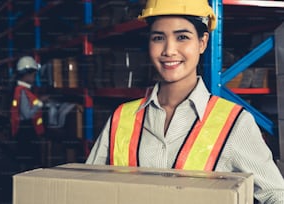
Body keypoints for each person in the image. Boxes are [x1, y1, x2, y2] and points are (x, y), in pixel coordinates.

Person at [86, 0, 284, 203]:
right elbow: (87, 188)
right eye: (158, 38)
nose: (169, 50)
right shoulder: (122, 118)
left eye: (182, 37)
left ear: (202, 43)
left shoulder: (234, 123)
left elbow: (275, 195)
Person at [10, 56, 47, 169]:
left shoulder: (22, 90)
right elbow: (27, 114)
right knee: (29, 160)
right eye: (32, 74)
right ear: (25, 74)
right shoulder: (22, 91)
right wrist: (40, 103)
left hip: (24, 130)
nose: (34, 77)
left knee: (25, 159)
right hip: (26, 130)